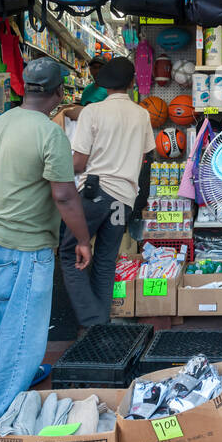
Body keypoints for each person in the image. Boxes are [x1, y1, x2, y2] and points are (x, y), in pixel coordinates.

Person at [0, 57, 92, 427]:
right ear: (59, 92)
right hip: (24, 243)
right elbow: (65, 195)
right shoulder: (50, 133)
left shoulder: (0, 122)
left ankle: (22, 375)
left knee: (9, 318)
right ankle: (3, 417)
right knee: (23, 334)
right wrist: (83, 239)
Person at [61, 58, 154, 327]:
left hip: (93, 194)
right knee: (105, 260)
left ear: (102, 85)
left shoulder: (92, 111)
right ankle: (100, 324)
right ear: (132, 84)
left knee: (70, 253)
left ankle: (91, 322)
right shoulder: (142, 114)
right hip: (123, 199)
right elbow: (146, 156)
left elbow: (79, 163)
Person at [56, 56, 110, 122]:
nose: (97, 71)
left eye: (100, 67)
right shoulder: (87, 89)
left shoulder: (110, 90)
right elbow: (83, 107)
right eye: (94, 68)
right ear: (90, 70)